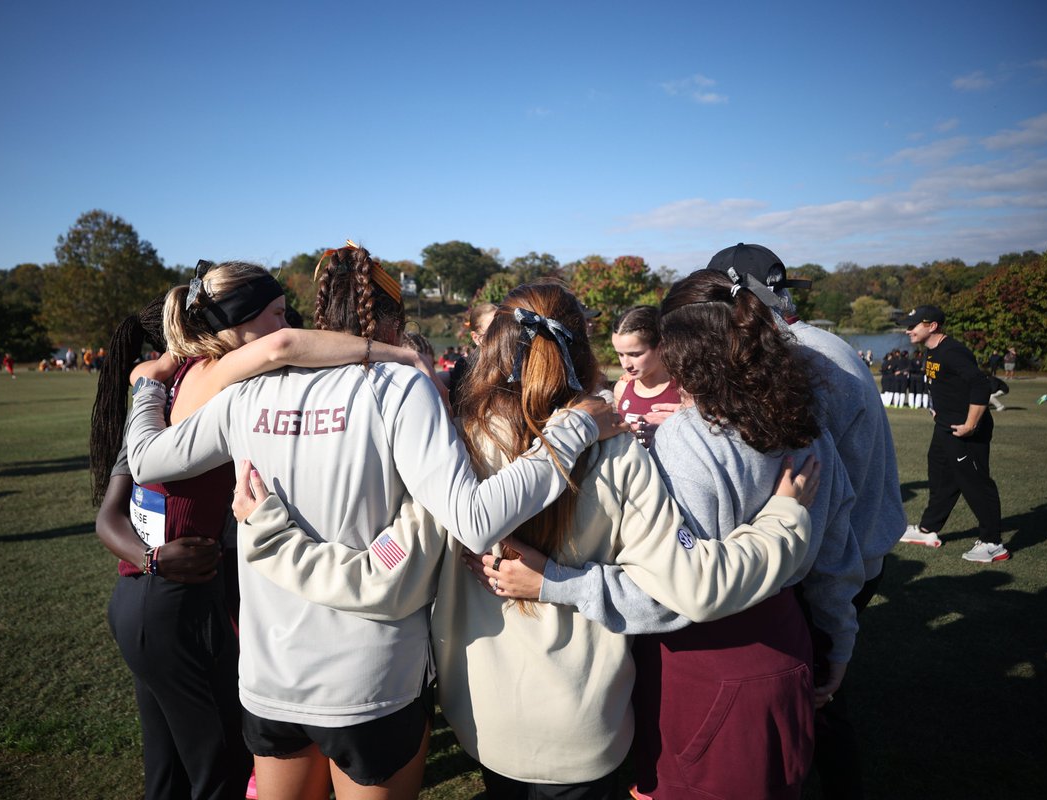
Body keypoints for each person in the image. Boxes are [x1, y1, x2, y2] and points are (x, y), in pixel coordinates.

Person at [228, 281, 822, 799]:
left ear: (492, 346)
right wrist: (784, 518)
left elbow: (381, 571)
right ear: (582, 349)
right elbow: (690, 588)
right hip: (583, 720)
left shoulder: (447, 449)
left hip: (482, 716)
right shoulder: (612, 449)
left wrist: (269, 534)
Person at [125, 244, 628, 799]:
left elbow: (146, 460)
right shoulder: (399, 385)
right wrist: (572, 430)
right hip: (371, 681)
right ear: (392, 321)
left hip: (271, 679)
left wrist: (147, 384)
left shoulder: (246, 391)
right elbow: (473, 518)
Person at [485, 270, 862, 799]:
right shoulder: (808, 425)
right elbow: (837, 557)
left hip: (705, 663)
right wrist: (837, 643)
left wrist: (556, 583)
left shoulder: (688, 442)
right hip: (788, 644)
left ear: (678, 349)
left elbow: (673, 594)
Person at [91, 261, 441, 800]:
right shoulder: (232, 374)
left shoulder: (183, 380)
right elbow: (281, 350)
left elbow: (127, 481)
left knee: (168, 770)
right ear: (239, 321)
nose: (288, 326)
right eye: (278, 314)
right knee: (214, 772)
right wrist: (396, 355)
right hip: (194, 600)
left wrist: (144, 388)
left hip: (167, 600)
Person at [704, 242, 904, 799]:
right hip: (861, 542)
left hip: (836, 553)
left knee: (816, 701)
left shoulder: (799, 359)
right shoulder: (823, 343)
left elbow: (818, 495)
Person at [900, 305, 1007, 562]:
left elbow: (980, 384)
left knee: (975, 482)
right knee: (940, 478)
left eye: (914, 325)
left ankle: (993, 543)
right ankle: (928, 530)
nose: (908, 330)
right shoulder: (931, 352)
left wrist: (970, 424)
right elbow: (940, 386)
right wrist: (936, 410)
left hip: (965, 430)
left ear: (932, 326)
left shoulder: (953, 351)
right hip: (945, 427)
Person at [611, 305, 680, 447]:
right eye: (620, 354)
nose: (625, 365)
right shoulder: (622, 387)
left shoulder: (686, 388)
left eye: (635, 354)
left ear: (661, 346)